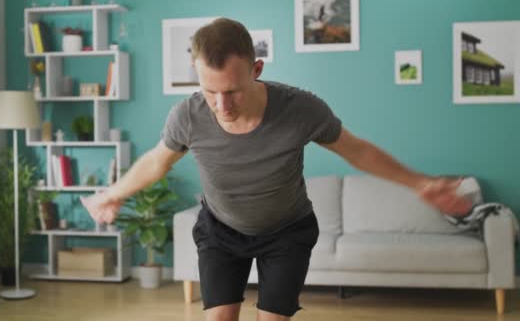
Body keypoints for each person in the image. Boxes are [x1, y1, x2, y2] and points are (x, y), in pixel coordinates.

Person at [81, 18, 471, 321]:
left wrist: (420, 183)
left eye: (231, 90)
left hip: (287, 232)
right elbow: (157, 160)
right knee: (219, 316)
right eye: (209, 90)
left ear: (256, 69)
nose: (221, 105)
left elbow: (356, 150)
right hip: (220, 230)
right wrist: (114, 193)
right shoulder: (187, 115)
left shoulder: (299, 109)